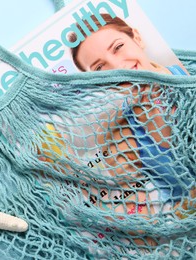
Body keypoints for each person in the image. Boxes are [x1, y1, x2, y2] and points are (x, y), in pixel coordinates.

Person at [66, 14, 194, 219]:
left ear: (137, 38)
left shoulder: (190, 74)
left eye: (118, 47)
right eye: (100, 68)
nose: (117, 67)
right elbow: (138, 209)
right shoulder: (122, 133)